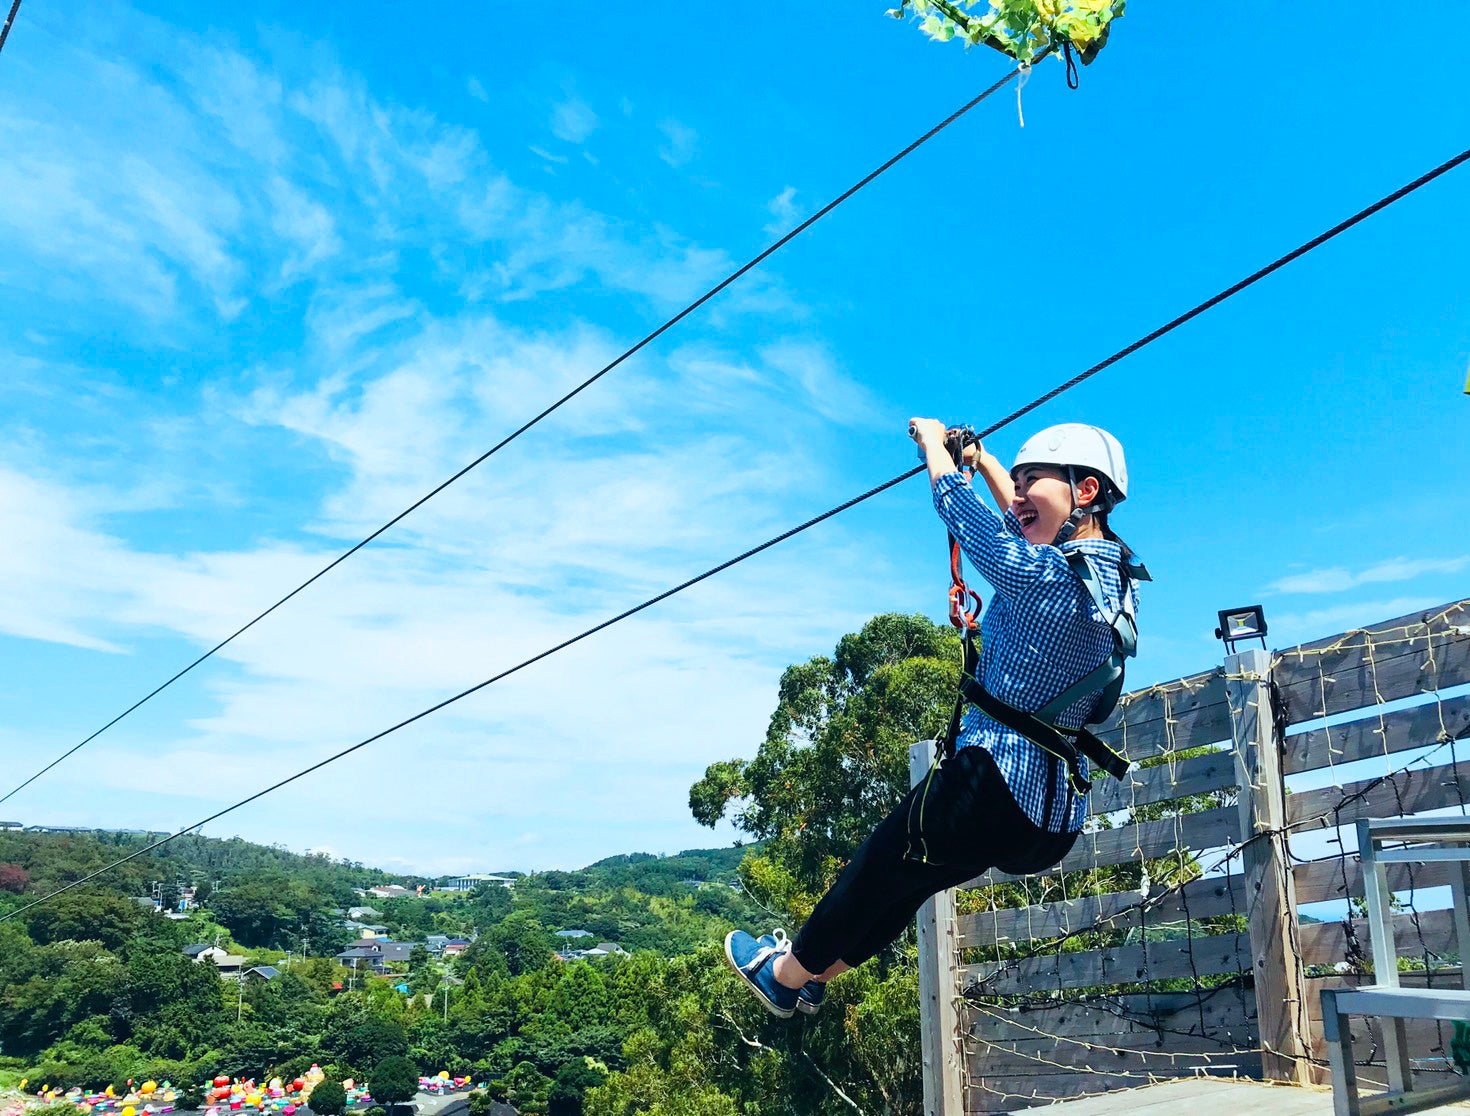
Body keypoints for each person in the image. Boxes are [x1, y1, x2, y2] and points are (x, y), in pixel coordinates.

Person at [724, 419, 1147, 1018]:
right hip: (1051, 817)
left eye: (1035, 482)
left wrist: (935, 452)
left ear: (1083, 492)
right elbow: (1025, 522)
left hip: (992, 782)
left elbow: (977, 526)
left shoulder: (1041, 575)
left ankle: (783, 975)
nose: (1019, 494)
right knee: (909, 882)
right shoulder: (1113, 578)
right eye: (1018, 482)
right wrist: (987, 459)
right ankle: (817, 975)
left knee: (877, 868)